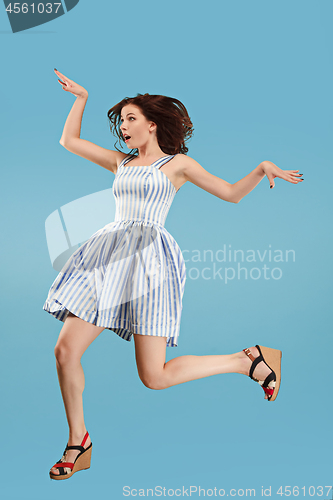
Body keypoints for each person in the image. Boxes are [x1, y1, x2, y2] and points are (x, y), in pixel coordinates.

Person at [44, 69, 304, 480]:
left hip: (150, 264)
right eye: (121, 120)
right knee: (65, 352)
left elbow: (231, 194)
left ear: (151, 124)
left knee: (155, 377)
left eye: (131, 119)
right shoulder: (121, 162)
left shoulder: (177, 165)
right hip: (107, 258)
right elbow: (69, 141)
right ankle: (79, 441)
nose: (124, 127)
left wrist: (261, 168)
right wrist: (81, 98)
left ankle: (247, 361)